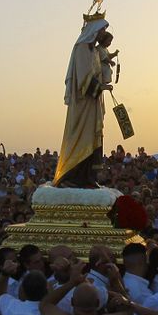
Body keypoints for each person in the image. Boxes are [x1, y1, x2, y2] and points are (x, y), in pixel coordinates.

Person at [56, 11, 115, 188]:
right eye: (102, 30)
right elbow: (84, 78)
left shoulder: (95, 51)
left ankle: (89, 177)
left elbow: (97, 73)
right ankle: (75, 177)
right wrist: (100, 87)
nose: (103, 34)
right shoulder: (82, 48)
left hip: (93, 102)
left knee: (93, 136)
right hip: (84, 102)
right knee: (83, 137)